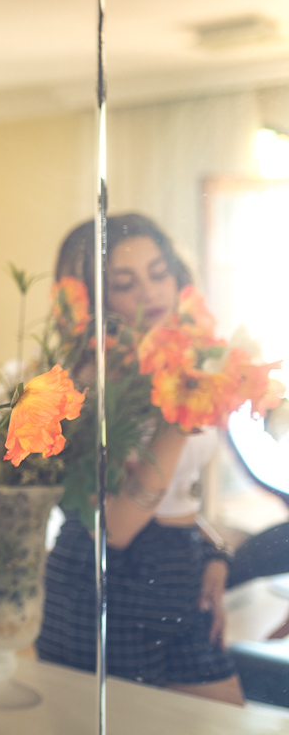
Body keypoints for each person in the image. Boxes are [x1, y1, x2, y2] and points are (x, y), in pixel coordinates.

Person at [36, 213, 245, 706]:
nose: (152, 293)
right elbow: (115, 527)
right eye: (126, 283)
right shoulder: (85, 383)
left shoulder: (179, 362)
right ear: (96, 298)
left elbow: (178, 489)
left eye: (159, 273)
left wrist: (211, 550)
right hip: (109, 584)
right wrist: (179, 419)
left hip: (176, 571)